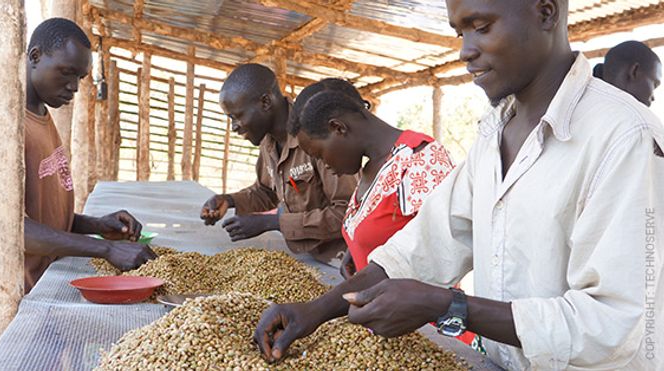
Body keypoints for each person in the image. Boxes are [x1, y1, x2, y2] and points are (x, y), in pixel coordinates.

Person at [254, 0, 663, 369]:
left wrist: (451, 305)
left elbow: (611, 324)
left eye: (481, 26)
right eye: (460, 32)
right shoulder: (493, 136)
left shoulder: (626, 137)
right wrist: (315, 310)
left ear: (546, 12)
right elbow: (422, 247)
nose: (465, 50)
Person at [0, 18, 157, 359]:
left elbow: (40, 211)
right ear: (35, 56)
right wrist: (105, 251)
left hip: (46, 291)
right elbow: (0, 228)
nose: (74, 88)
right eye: (66, 72)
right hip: (14, 305)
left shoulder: (41, 112)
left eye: (79, 78)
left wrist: (95, 225)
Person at [288, 78, 454, 280]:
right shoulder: (370, 168)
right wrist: (357, 247)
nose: (323, 165)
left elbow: (440, 258)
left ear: (338, 128)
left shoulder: (420, 160)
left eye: (320, 155)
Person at [200, 64, 357, 267]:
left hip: (345, 261)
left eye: (236, 116)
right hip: (312, 257)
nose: (234, 127)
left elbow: (348, 214)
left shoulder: (317, 134)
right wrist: (228, 200)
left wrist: (272, 222)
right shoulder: (268, 141)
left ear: (265, 102)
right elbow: (267, 192)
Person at [593, 40, 661, 107]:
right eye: (654, 84)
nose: (653, 98)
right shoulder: (632, 117)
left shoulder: (589, 109)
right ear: (634, 71)